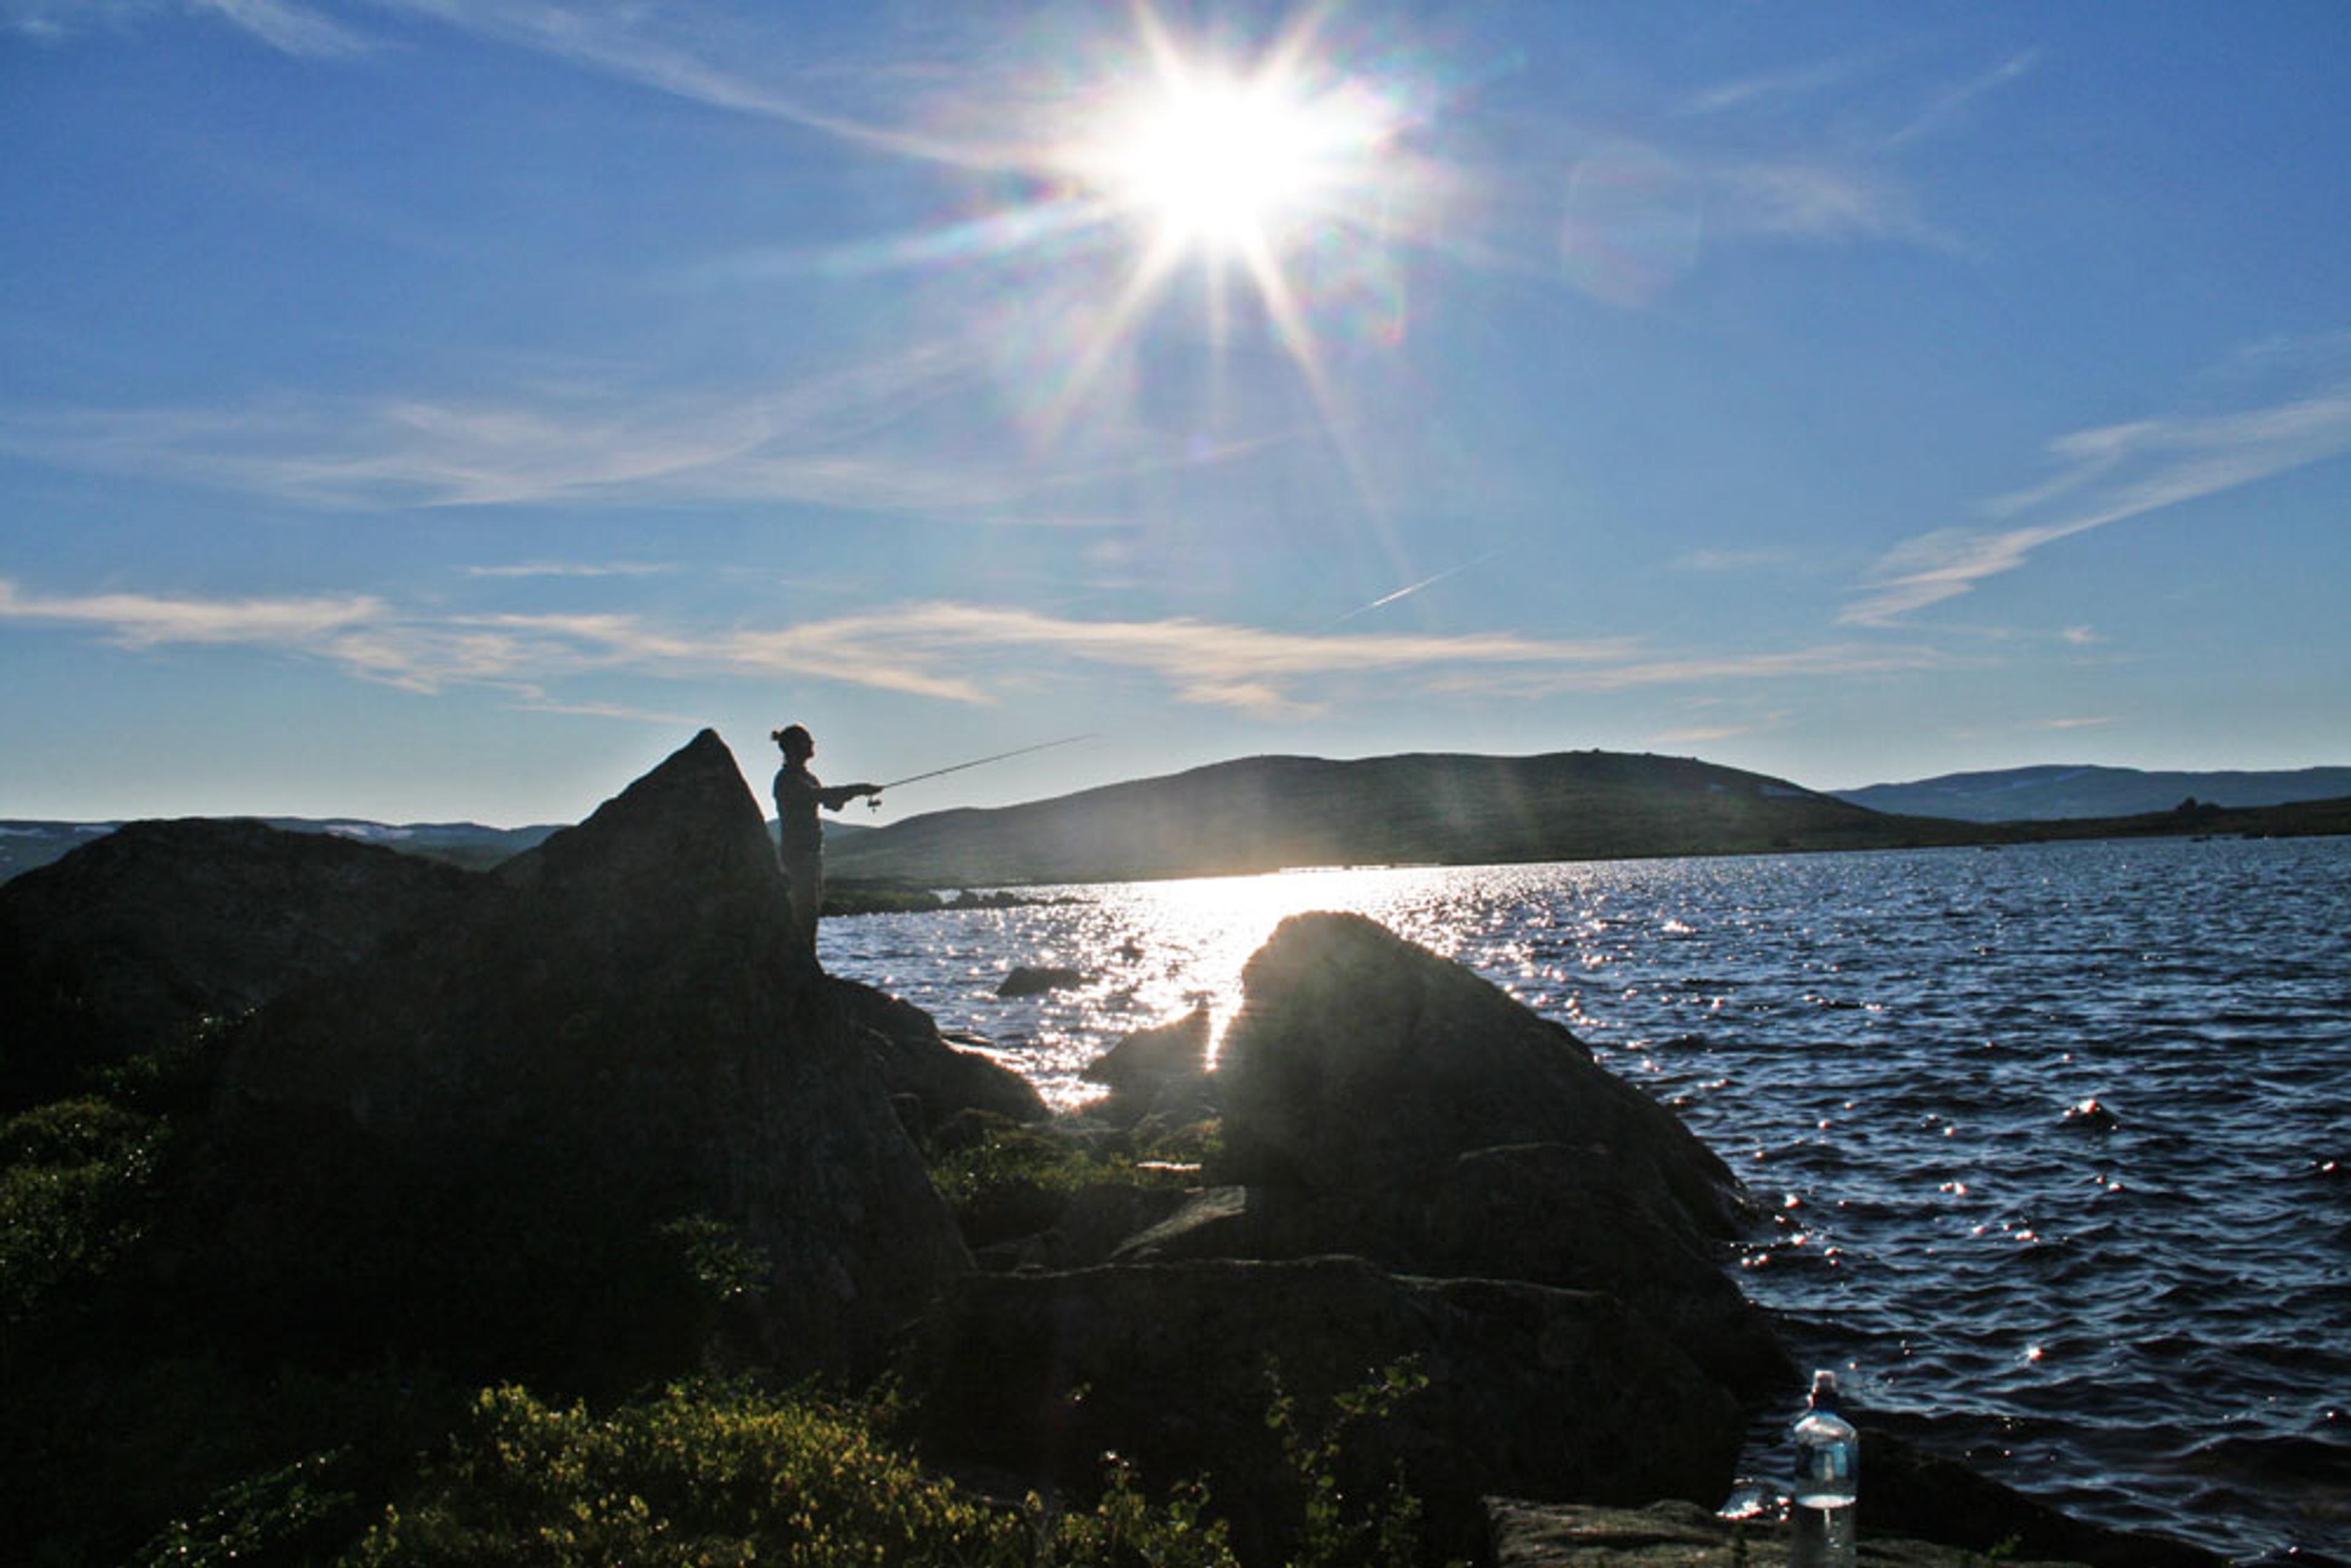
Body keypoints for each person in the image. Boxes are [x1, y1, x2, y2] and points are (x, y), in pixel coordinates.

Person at [771, 724, 879, 956]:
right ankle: (803, 963)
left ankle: (807, 960)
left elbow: (832, 804)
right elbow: (816, 796)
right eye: (808, 741)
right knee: (804, 911)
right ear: (795, 747)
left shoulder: (807, 777)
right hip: (798, 854)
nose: (812, 745)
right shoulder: (786, 779)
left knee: (812, 909)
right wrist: (857, 789)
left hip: (813, 852)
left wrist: (847, 796)